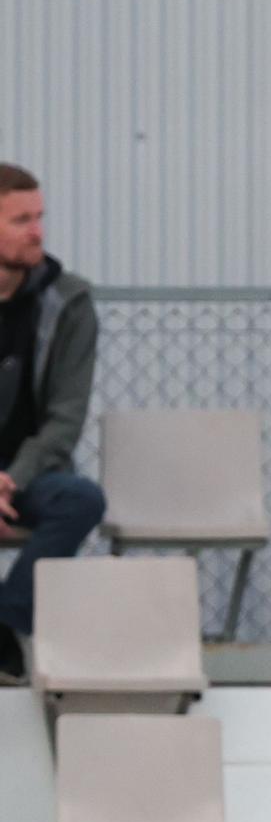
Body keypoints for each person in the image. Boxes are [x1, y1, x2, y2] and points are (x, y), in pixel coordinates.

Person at [0, 164, 104, 678]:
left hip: (29, 477)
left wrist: (10, 478)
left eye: (39, 217)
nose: (37, 230)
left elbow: (67, 417)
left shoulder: (70, 304)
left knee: (81, 499)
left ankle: (3, 621)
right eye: (21, 219)